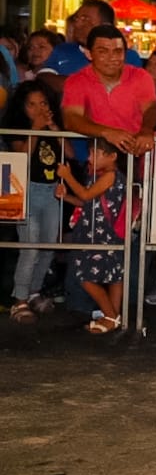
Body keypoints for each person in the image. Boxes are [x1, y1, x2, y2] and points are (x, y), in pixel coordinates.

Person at [56, 138, 129, 333]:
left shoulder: (110, 176)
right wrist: (67, 197)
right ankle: (113, 316)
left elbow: (87, 196)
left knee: (85, 276)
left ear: (113, 156)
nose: (89, 157)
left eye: (95, 153)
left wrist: (68, 176)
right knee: (114, 276)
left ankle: (110, 315)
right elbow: (86, 202)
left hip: (100, 235)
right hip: (104, 233)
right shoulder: (103, 177)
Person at [6, 83, 65, 324]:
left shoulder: (54, 130)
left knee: (48, 246)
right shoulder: (18, 130)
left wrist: (54, 129)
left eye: (43, 103)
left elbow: (69, 154)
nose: (39, 108)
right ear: (22, 108)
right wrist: (36, 129)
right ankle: (19, 298)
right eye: (32, 104)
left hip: (52, 191)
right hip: (27, 190)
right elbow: (22, 156)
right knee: (29, 247)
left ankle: (34, 291)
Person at [60, 25, 156, 160]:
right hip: (96, 160)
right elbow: (71, 119)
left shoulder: (140, 76)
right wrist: (107, 133)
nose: (112, 58)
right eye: (103, 51)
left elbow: (151, 108)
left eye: (118, 51)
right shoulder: (76, 81)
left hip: (138, 155)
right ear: (89, 54)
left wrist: (146, 130)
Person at [37, 0, 144, 96]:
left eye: (85, 19)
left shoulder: (128, 57)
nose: (77, 24)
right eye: (76, 19)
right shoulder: (62, 50)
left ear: (104, 25)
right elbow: (44, 78)